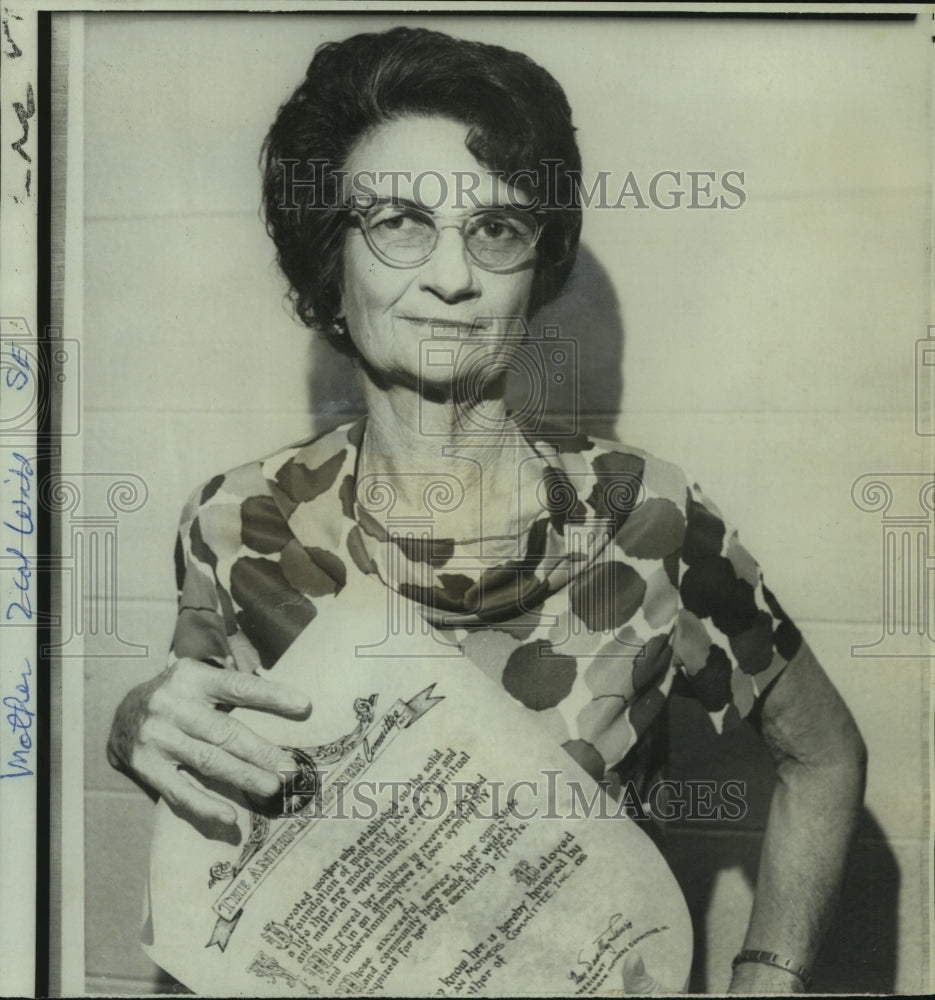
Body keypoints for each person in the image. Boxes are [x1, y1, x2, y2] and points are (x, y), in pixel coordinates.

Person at [107, 25, 866, 994]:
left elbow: (823, 754)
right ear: (328, 262)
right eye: (398, 222)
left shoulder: (652, 521)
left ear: (534, 267)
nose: (453, 276)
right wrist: (135, 721)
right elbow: (204, 794)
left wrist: (767, 975)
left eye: (496, 228)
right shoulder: (236, 522)